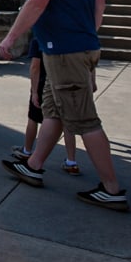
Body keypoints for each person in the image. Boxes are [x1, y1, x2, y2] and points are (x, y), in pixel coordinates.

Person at [0, 0, 128, 212]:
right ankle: (34, 165)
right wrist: (89, 37)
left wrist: (10, 37)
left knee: (84, 120)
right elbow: (100, 2)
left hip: (64, 52)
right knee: (53, 109)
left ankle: (112, 189)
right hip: (78, 47)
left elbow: (37, 2)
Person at [11, 35, 82, 175]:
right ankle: (71, 162)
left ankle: (27, 150)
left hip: (45, 84)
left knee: (33, 118)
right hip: (67, 84)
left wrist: (35, 91)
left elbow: (35, 67)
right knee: (66, 123)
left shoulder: (40, 38)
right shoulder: (70, 36)